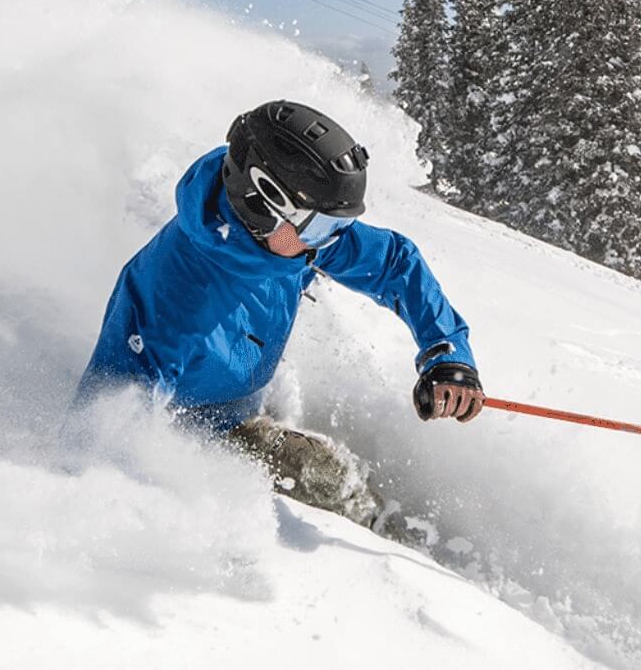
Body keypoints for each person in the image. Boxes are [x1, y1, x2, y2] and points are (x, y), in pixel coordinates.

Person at [74, 99, 485, 525]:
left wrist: (446, 349)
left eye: (337, 228)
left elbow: (393, 263)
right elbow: (98, 439)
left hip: (243, 398)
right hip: (197, 431)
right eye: (324, 229)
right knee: (324, 480)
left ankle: (392, 533)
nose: (328, 245)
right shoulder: (169, 305)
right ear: (261, 199)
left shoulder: (290, 237)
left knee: (339, 481)